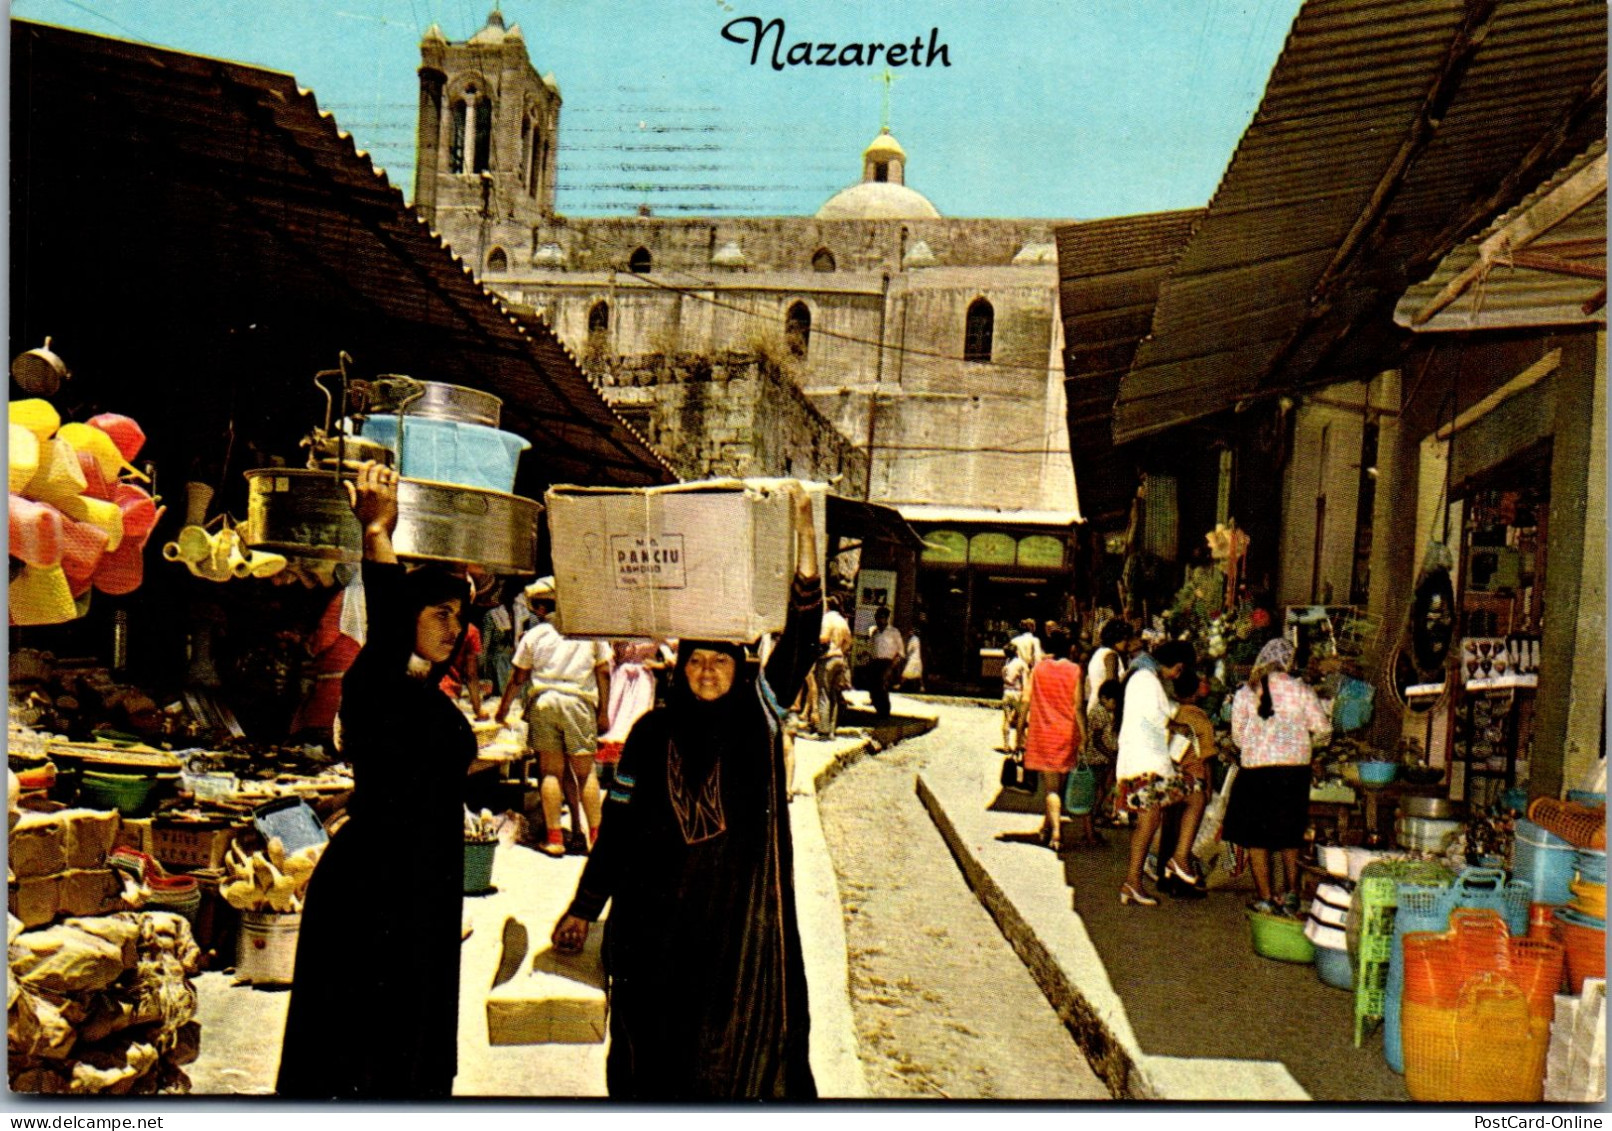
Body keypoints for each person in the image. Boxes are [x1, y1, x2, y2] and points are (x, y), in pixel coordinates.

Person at [550, 482, 822, 1100]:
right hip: (656, 930)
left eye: (720, 662)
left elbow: (802, 633)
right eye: (696, 659)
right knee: (653, 1062)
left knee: (731, 1063)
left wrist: (802, 526)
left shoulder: (758, 717)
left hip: (734, 937)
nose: (706, 671)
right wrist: (583, 908)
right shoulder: (650, 733)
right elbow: (616, 830)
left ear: (739, 668)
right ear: (680, 666)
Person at [276, 461, 475, 1099]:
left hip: (426, 886)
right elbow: (387, 609)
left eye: (458, 617)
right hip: (376, 885)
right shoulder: (375, 681)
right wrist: (377, 531)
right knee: (360, 1044)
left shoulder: (429, 694)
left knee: (412, 1045)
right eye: (437, 613)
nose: (452, 628)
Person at [494, 577, 612, 856]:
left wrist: (502, 709)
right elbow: (604, 671)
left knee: (550, 773)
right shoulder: (589, 633)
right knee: (585, 774)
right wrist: (604, 711)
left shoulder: (535, 636)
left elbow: (518, 677)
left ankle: (555, 838)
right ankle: (597, 838)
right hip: (579, 704)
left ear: (542, 607)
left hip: (544, 703)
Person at [1226, 637, 1330, 916]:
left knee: (1257, 838)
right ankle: (1292, 894)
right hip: (1293, 773)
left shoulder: (1245, 693)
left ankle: (1265, 897)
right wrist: (1306, 744)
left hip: (1256, 772)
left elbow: (1237, 737)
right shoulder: (1302, 690)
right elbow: (1322, 729)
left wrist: (1258, 741)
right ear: (1289, 663)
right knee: (1289, 835)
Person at [1114, 640, 1204, 906]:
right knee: (1196, 795)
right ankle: (1179, 859)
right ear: (1177, 666)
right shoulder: (1146, 679)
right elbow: (1157, 716)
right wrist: (1179, 726)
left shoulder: (1141, 674)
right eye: (1178, 671)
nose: (1176, 676)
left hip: (1139, 763)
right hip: (1147, 764)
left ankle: (1133, 882)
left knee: (1148, 823)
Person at [1017, 632, 1085, 852]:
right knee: (1059, 785)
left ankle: (1055, 834)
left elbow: (1025, 700)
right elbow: (1078, 708)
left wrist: (1019, 728)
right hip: (1066, 733)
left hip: (1044, 733)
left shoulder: (1038, 669)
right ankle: (1047, 827)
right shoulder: (1075, 671)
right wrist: (1084, 736)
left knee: (1051, 789)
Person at [1084, 678, 1122, 825]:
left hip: (1105, 757)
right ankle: (1093, 814)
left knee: (1103, 787)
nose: (1115, 706)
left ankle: (1097, 812)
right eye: (1113, 702)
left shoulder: (1106, 712)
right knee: (1098, 787)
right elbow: (1097, 740)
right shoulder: (1099, 713)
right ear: (1104, 698)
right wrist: (1111, 755)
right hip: (1097, 757)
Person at [815, 595, 853, 738]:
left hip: (827, 659)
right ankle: (832, 729)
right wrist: (841, 650)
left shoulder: (827, 619)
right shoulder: (842, 621)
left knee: (823, 693)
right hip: (839, 659)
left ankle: (823, 730)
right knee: (834, 695)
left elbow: (823, 638)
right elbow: (849, 641)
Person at [1086, 618, 1135, 715]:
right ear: (1117, 639)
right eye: (1125, 639)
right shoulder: (1111, 656)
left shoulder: (1099, 653)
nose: (1128, 643)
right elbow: (1111, 687)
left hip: (1096, 707)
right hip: (1106, 710)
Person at [865, 605, 904, 718]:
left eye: (882, 617)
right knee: (874, 687)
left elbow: (901, 652)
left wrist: (893, 667)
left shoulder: (894, 632)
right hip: (875, 662)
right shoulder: (875, 633)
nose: (879, 620)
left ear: (886, 618)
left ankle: (885, 712)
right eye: (877, 617)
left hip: (888, 663)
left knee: (883, 686)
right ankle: (878, 710)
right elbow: (871, 648)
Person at [1001, 641, 1028, 753]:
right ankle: (1019, 744)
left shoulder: (1007, 663)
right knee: (1020, 720)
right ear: (1016, 651)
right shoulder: (1021, 663)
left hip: (1007, 692)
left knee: (1006, 719)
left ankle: (1006, 745)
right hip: (1017, 692)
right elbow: (1025, 681)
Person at [899, 624, 925, 692]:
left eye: (910, 631)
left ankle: (900, 684)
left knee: (906, 672)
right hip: (917, 658)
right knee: (918, 673)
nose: (909, 633)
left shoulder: (913, 639)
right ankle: (922, 687)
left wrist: (907, 655)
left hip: (913, 658)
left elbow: (910, 649)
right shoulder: (917, 639)